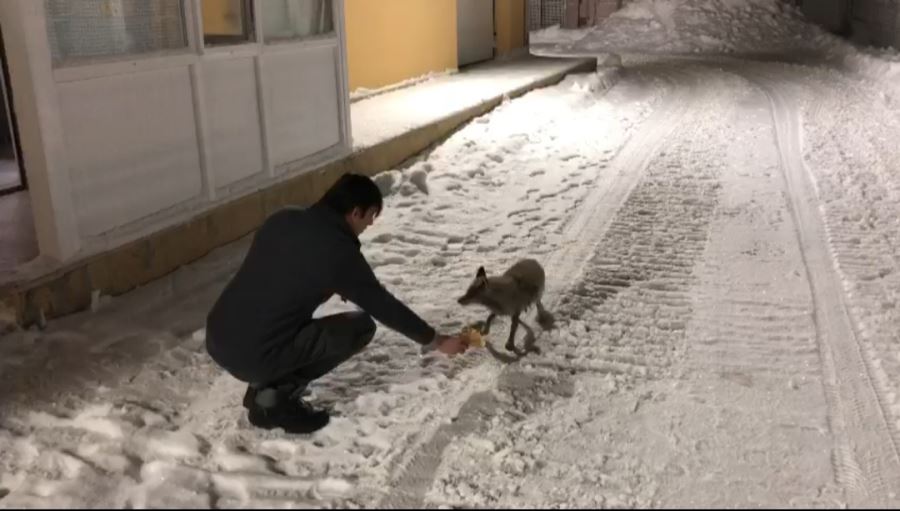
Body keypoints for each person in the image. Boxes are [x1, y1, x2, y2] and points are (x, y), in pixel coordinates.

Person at [205, 173, 468, 434]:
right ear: (356, 212)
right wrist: (437, 340)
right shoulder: (338, 252)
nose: (369, 225)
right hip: (253, 356)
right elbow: (384, 306)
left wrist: (327, 286)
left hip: (217, 336)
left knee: (279, 323)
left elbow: (281, 275)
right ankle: (274, 401)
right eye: (371, 216)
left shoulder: (282, 218)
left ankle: (264, 387)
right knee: (360, 327)